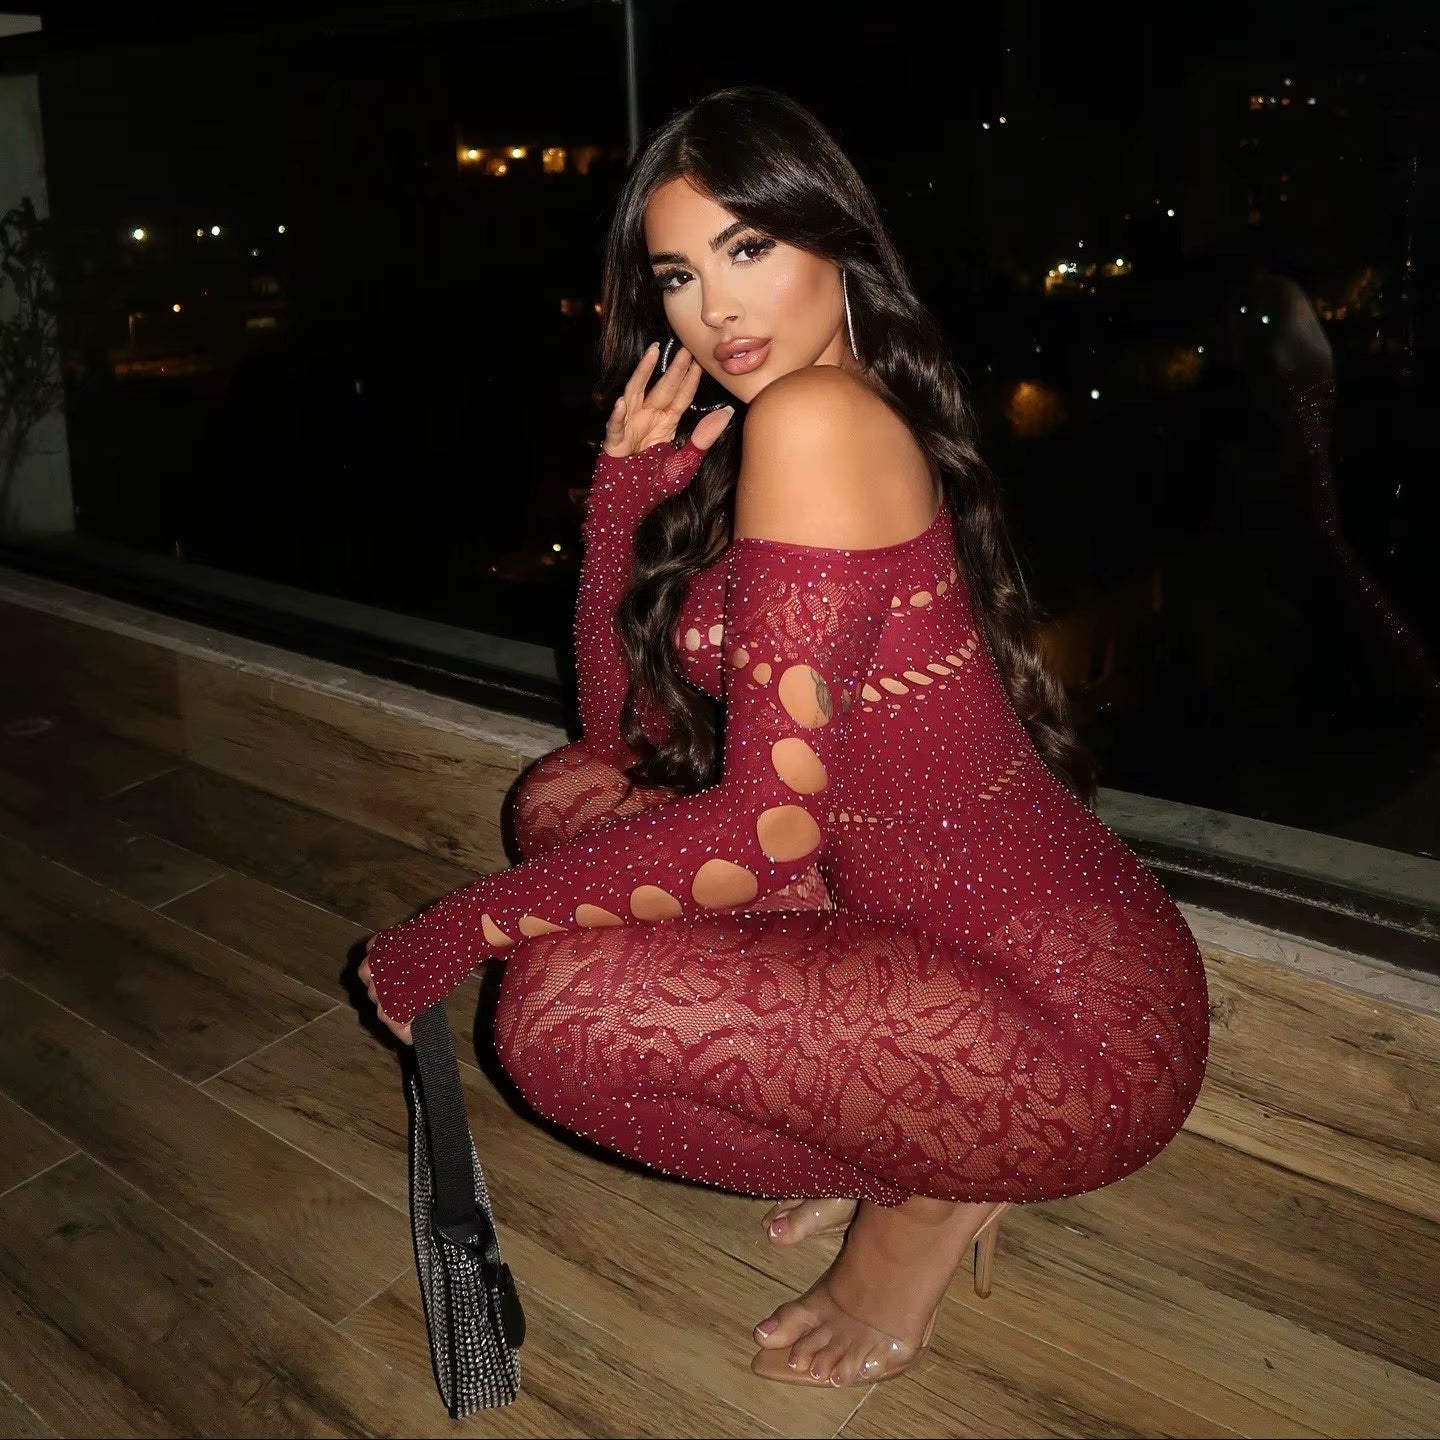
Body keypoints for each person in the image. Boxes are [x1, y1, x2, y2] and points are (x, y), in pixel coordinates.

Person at [360, 84, 1210, 1390]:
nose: (715, 310)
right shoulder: (808, 409)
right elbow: (628, 742)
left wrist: (459, 931)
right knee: (568, 802)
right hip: (945, 929)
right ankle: (918, 1133)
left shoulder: (820, 423)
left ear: (836, 244)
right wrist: (623, 507)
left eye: (749, 250)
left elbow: (763, 833)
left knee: (554, 1019)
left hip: (1068, 1029)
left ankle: (931, 1195)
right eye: (680, 277)